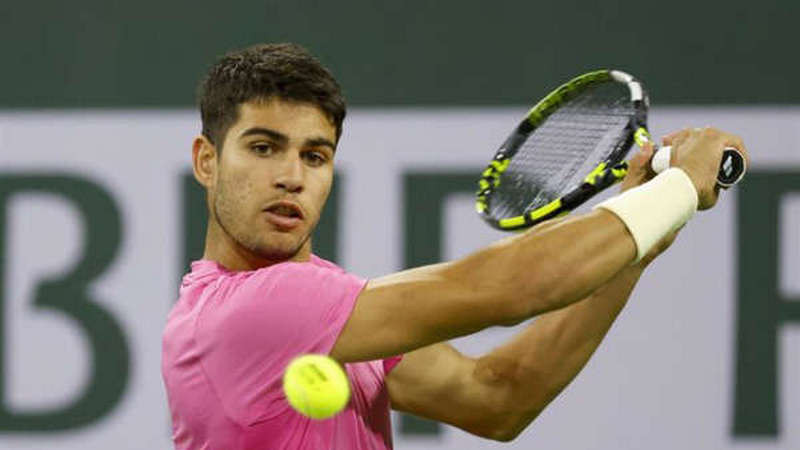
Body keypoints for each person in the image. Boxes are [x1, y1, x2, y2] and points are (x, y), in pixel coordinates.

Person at [161, 43, 749, 449]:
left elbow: (498, 398)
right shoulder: (247, 312)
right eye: (263, 148)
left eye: (314, 156)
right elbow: (509, 287)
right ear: (206, 161)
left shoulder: (326, 315)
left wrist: (639, 244)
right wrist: (678, 187)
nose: (291, 176)